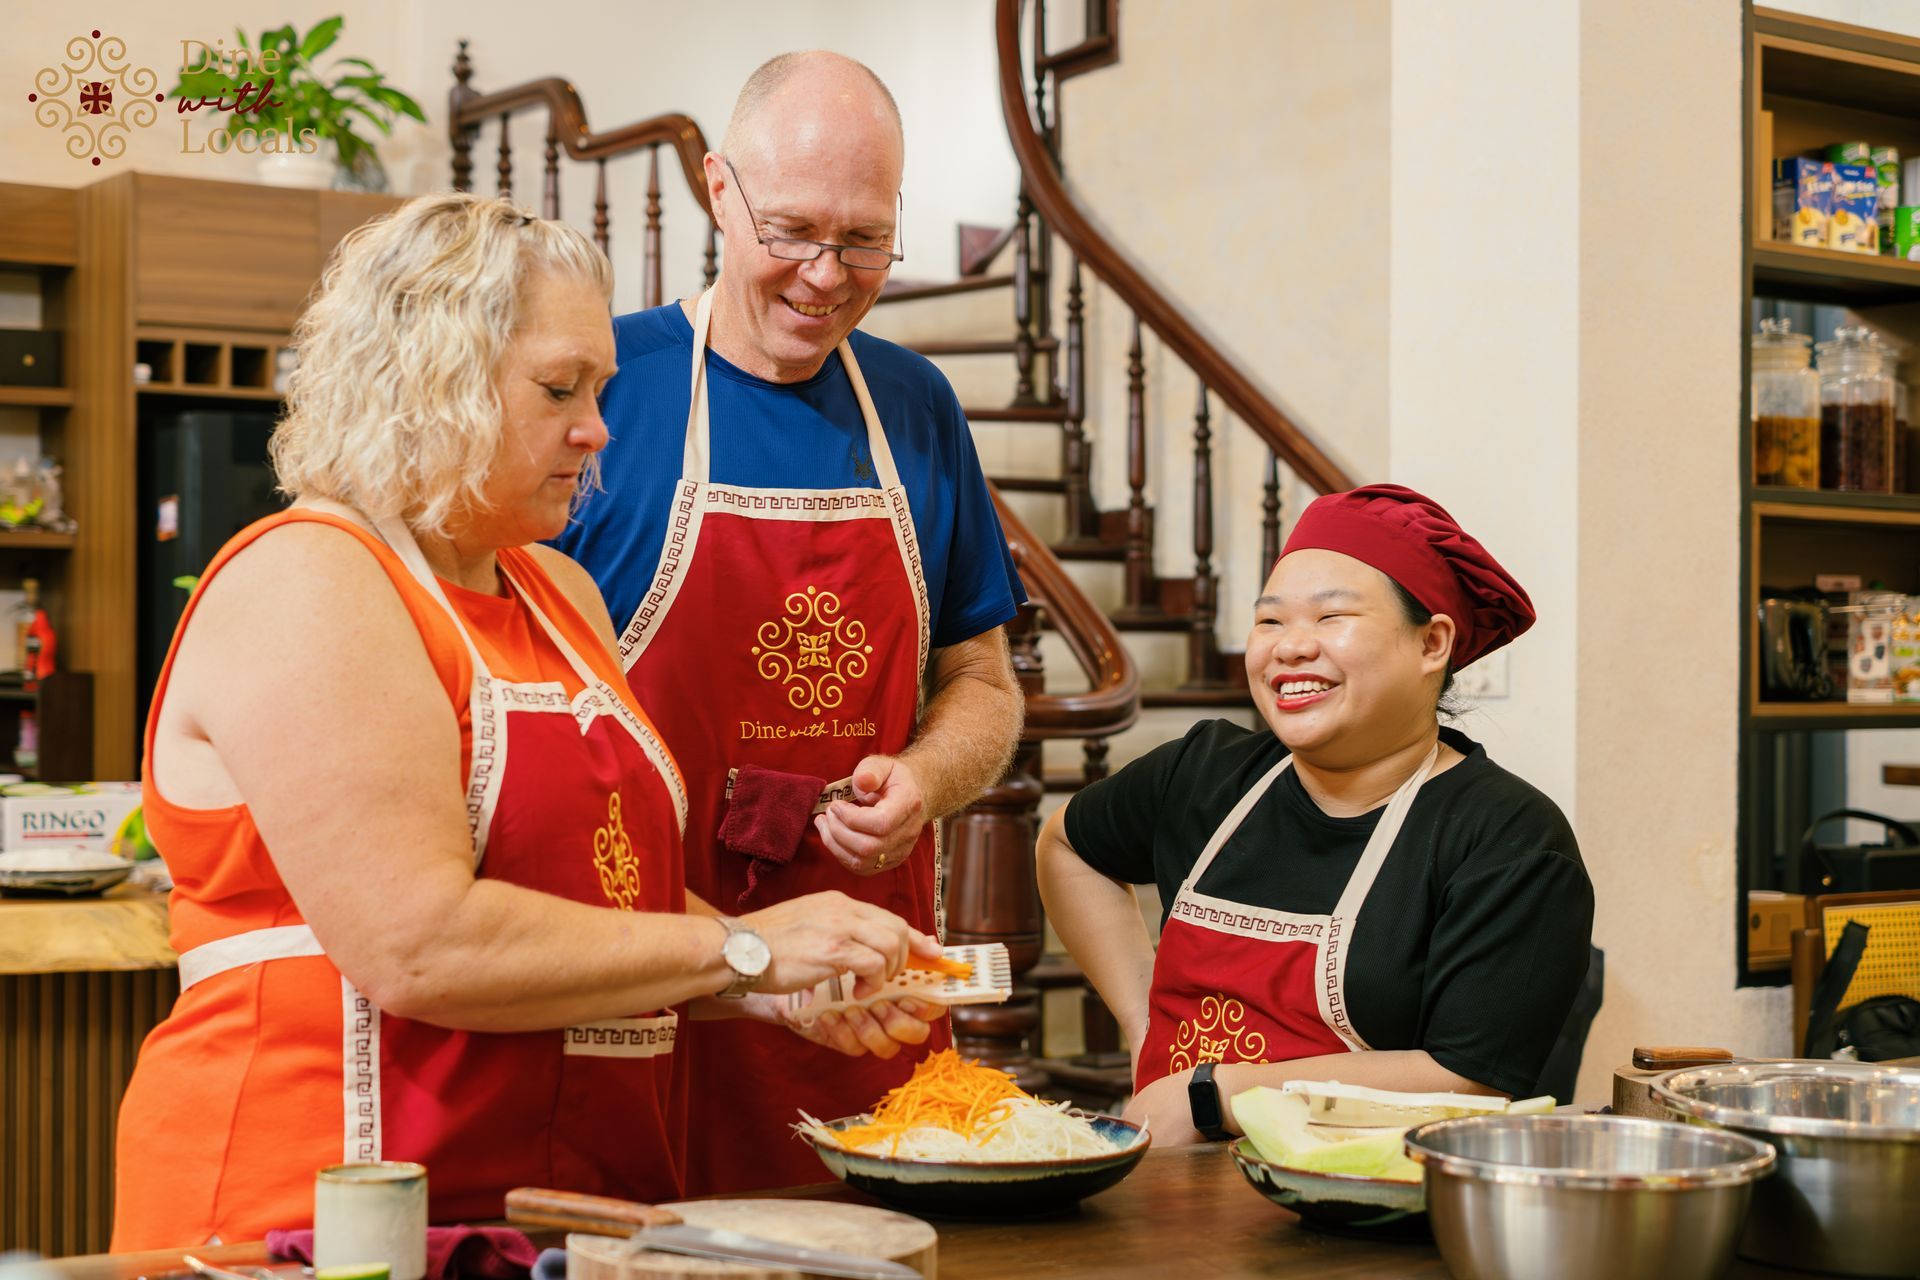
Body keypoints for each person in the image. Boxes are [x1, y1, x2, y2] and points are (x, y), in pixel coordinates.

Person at [111, 194, 942, 1249]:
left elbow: (605, 895)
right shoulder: (309, 578)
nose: (597, 428)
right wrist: (739, 948)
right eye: (559, 389)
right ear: (429, 381)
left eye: (600, 387)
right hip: (319, 1209)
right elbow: (418, 942)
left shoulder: (558, 591)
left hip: (565, 1197)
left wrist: (778, 991)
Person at [552, 51, 1027, 1193]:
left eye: (864, 239)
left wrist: (926, 776)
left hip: (868, 1007)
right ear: (719, 190)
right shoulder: (604, 388)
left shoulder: (914, 404)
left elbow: (986, 682)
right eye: (795, 230)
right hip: (640, 994)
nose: (827, 274)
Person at [1037, 484, 1594, 1145]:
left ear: (1432, 644)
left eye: (1331, 618)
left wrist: (1215, 1094)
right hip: (1169, 1197)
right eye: (1270, 621)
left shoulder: (1507, 838)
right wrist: (1143, 1027)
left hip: (1352, 1213)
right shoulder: (1204, 775)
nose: (1290, 647)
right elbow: (1065, 846)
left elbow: (1472, 1082)